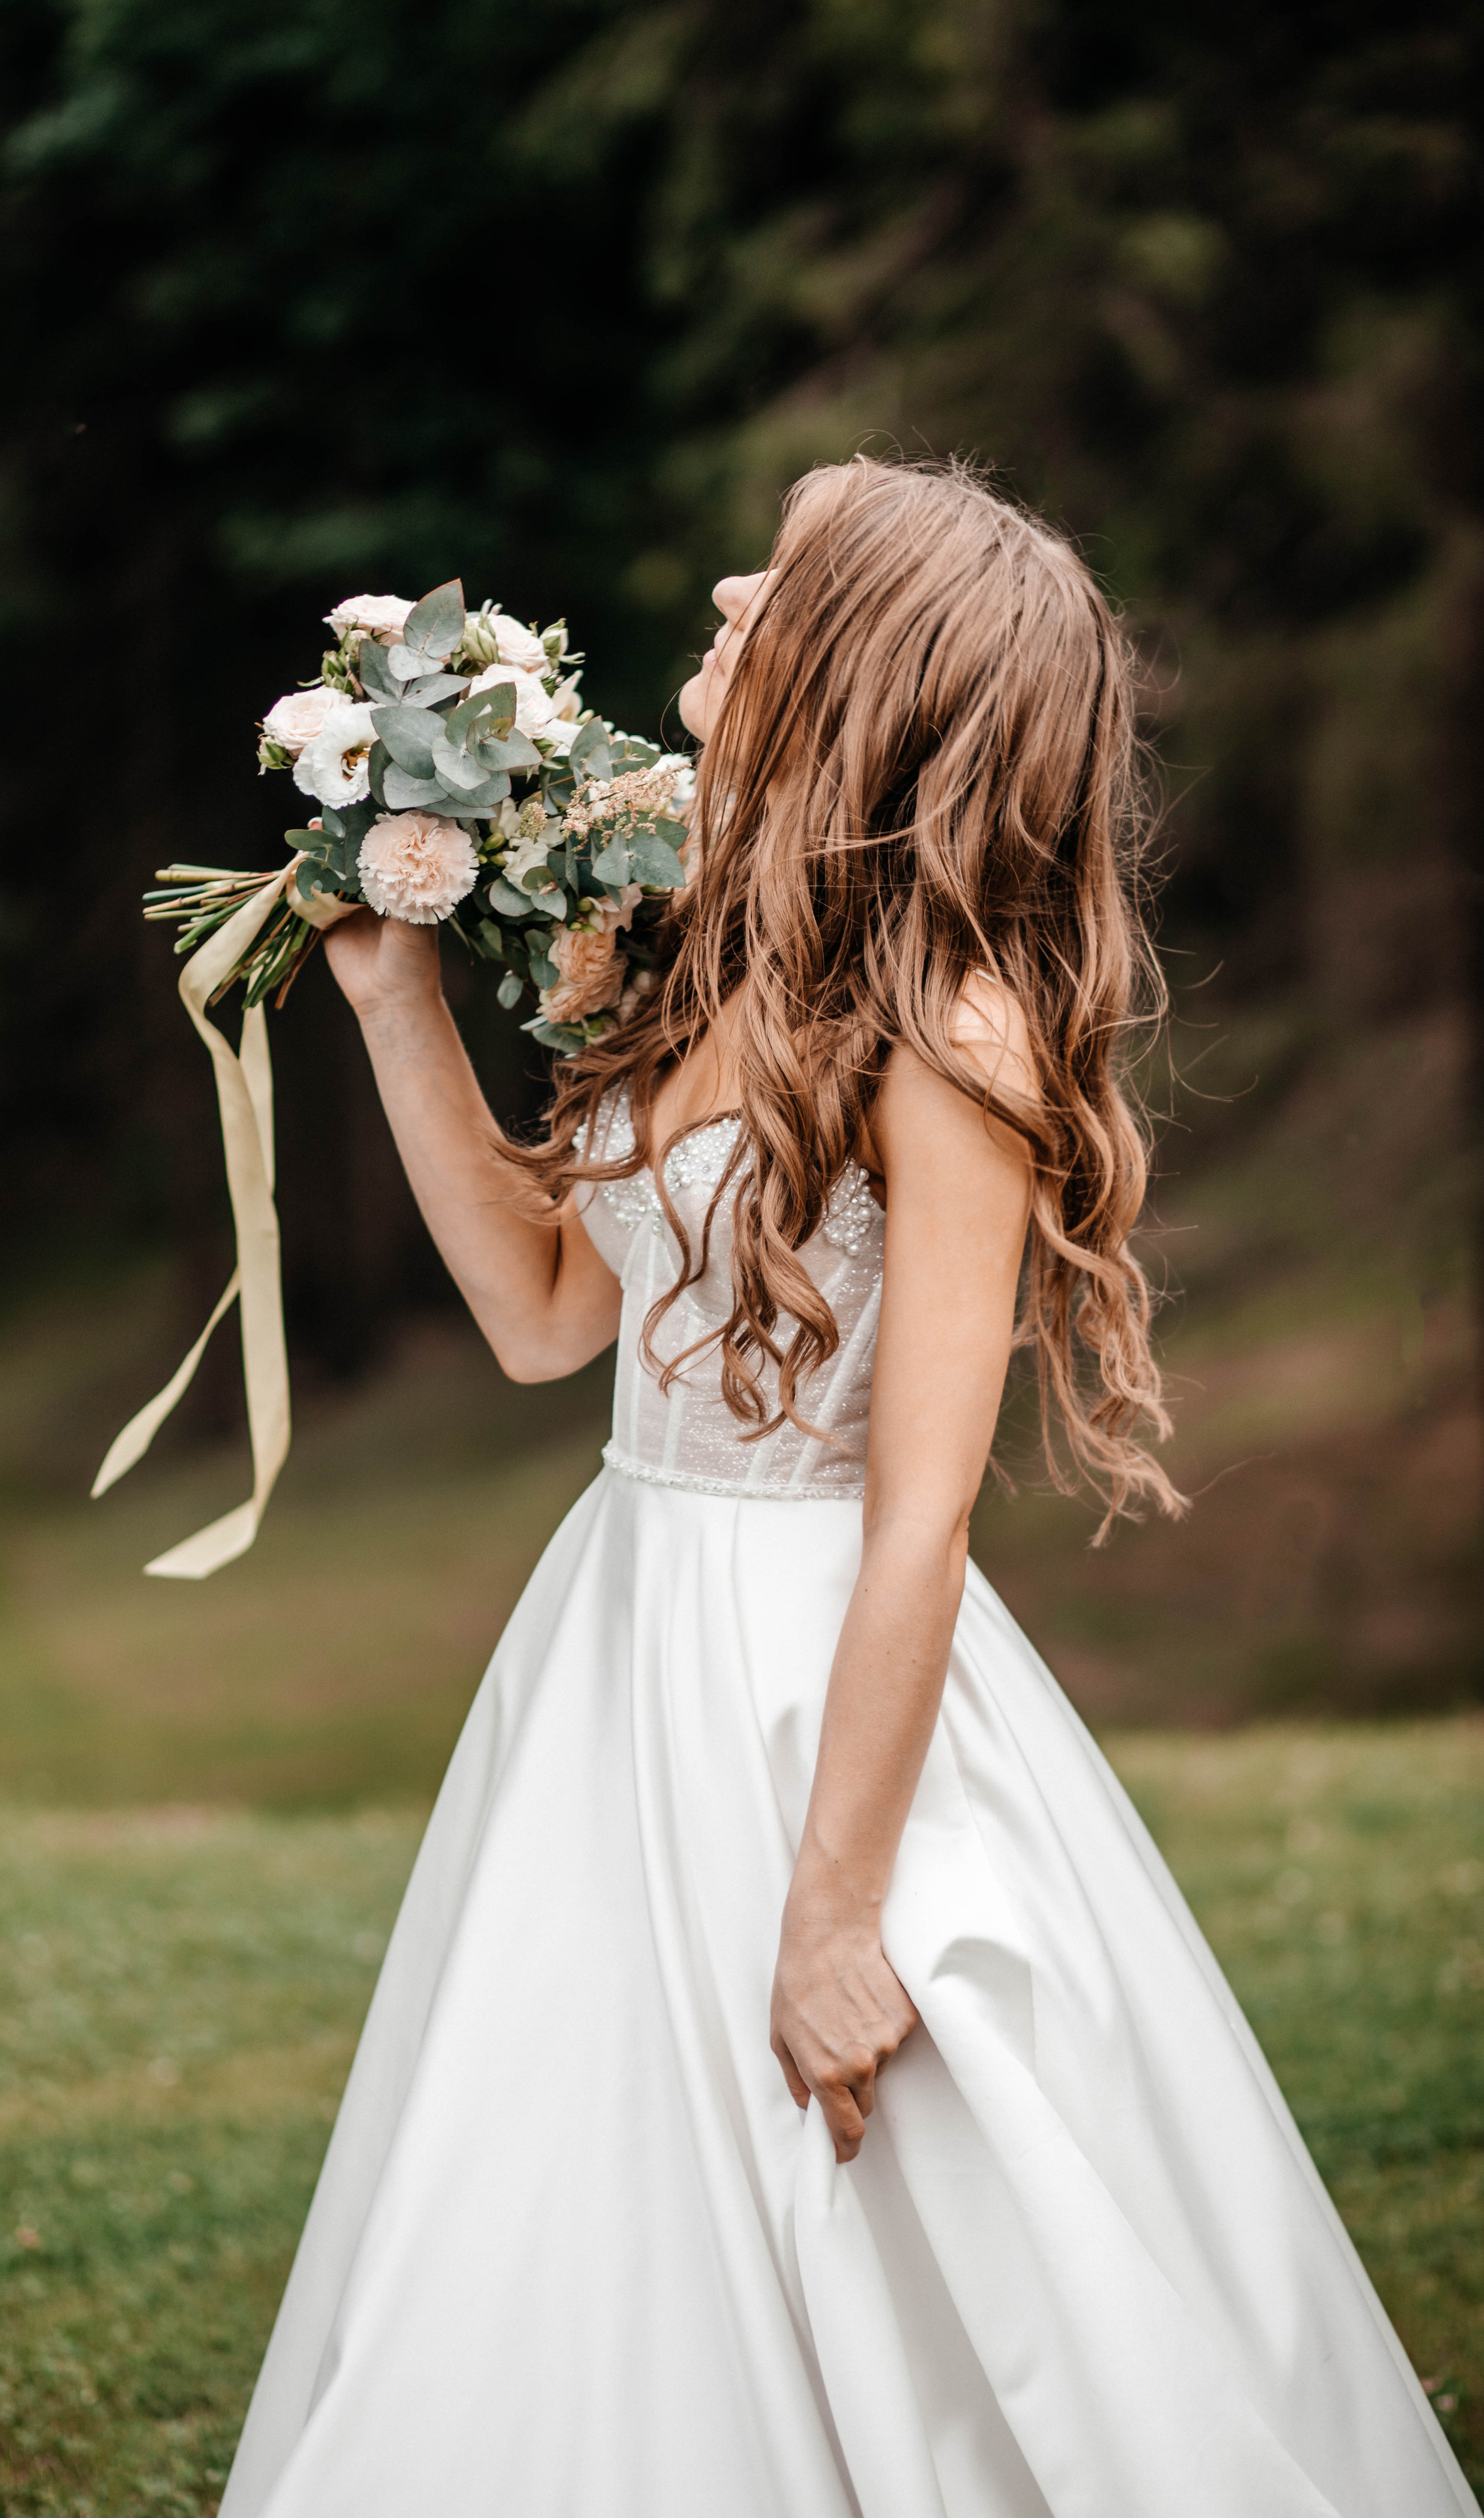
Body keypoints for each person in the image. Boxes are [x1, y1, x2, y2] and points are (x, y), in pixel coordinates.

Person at [218, 458, 1472, 2518]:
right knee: (569, 2170)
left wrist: (829, 1906)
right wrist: (392, 999)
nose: (723, 589)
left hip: (810, 1679)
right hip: (615, 1641)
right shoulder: (694, 951)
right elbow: (549, 1316)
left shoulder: (946, 1033)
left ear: (867, 673)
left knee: (916, 2226)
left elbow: (920, 1510)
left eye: (774, 578)